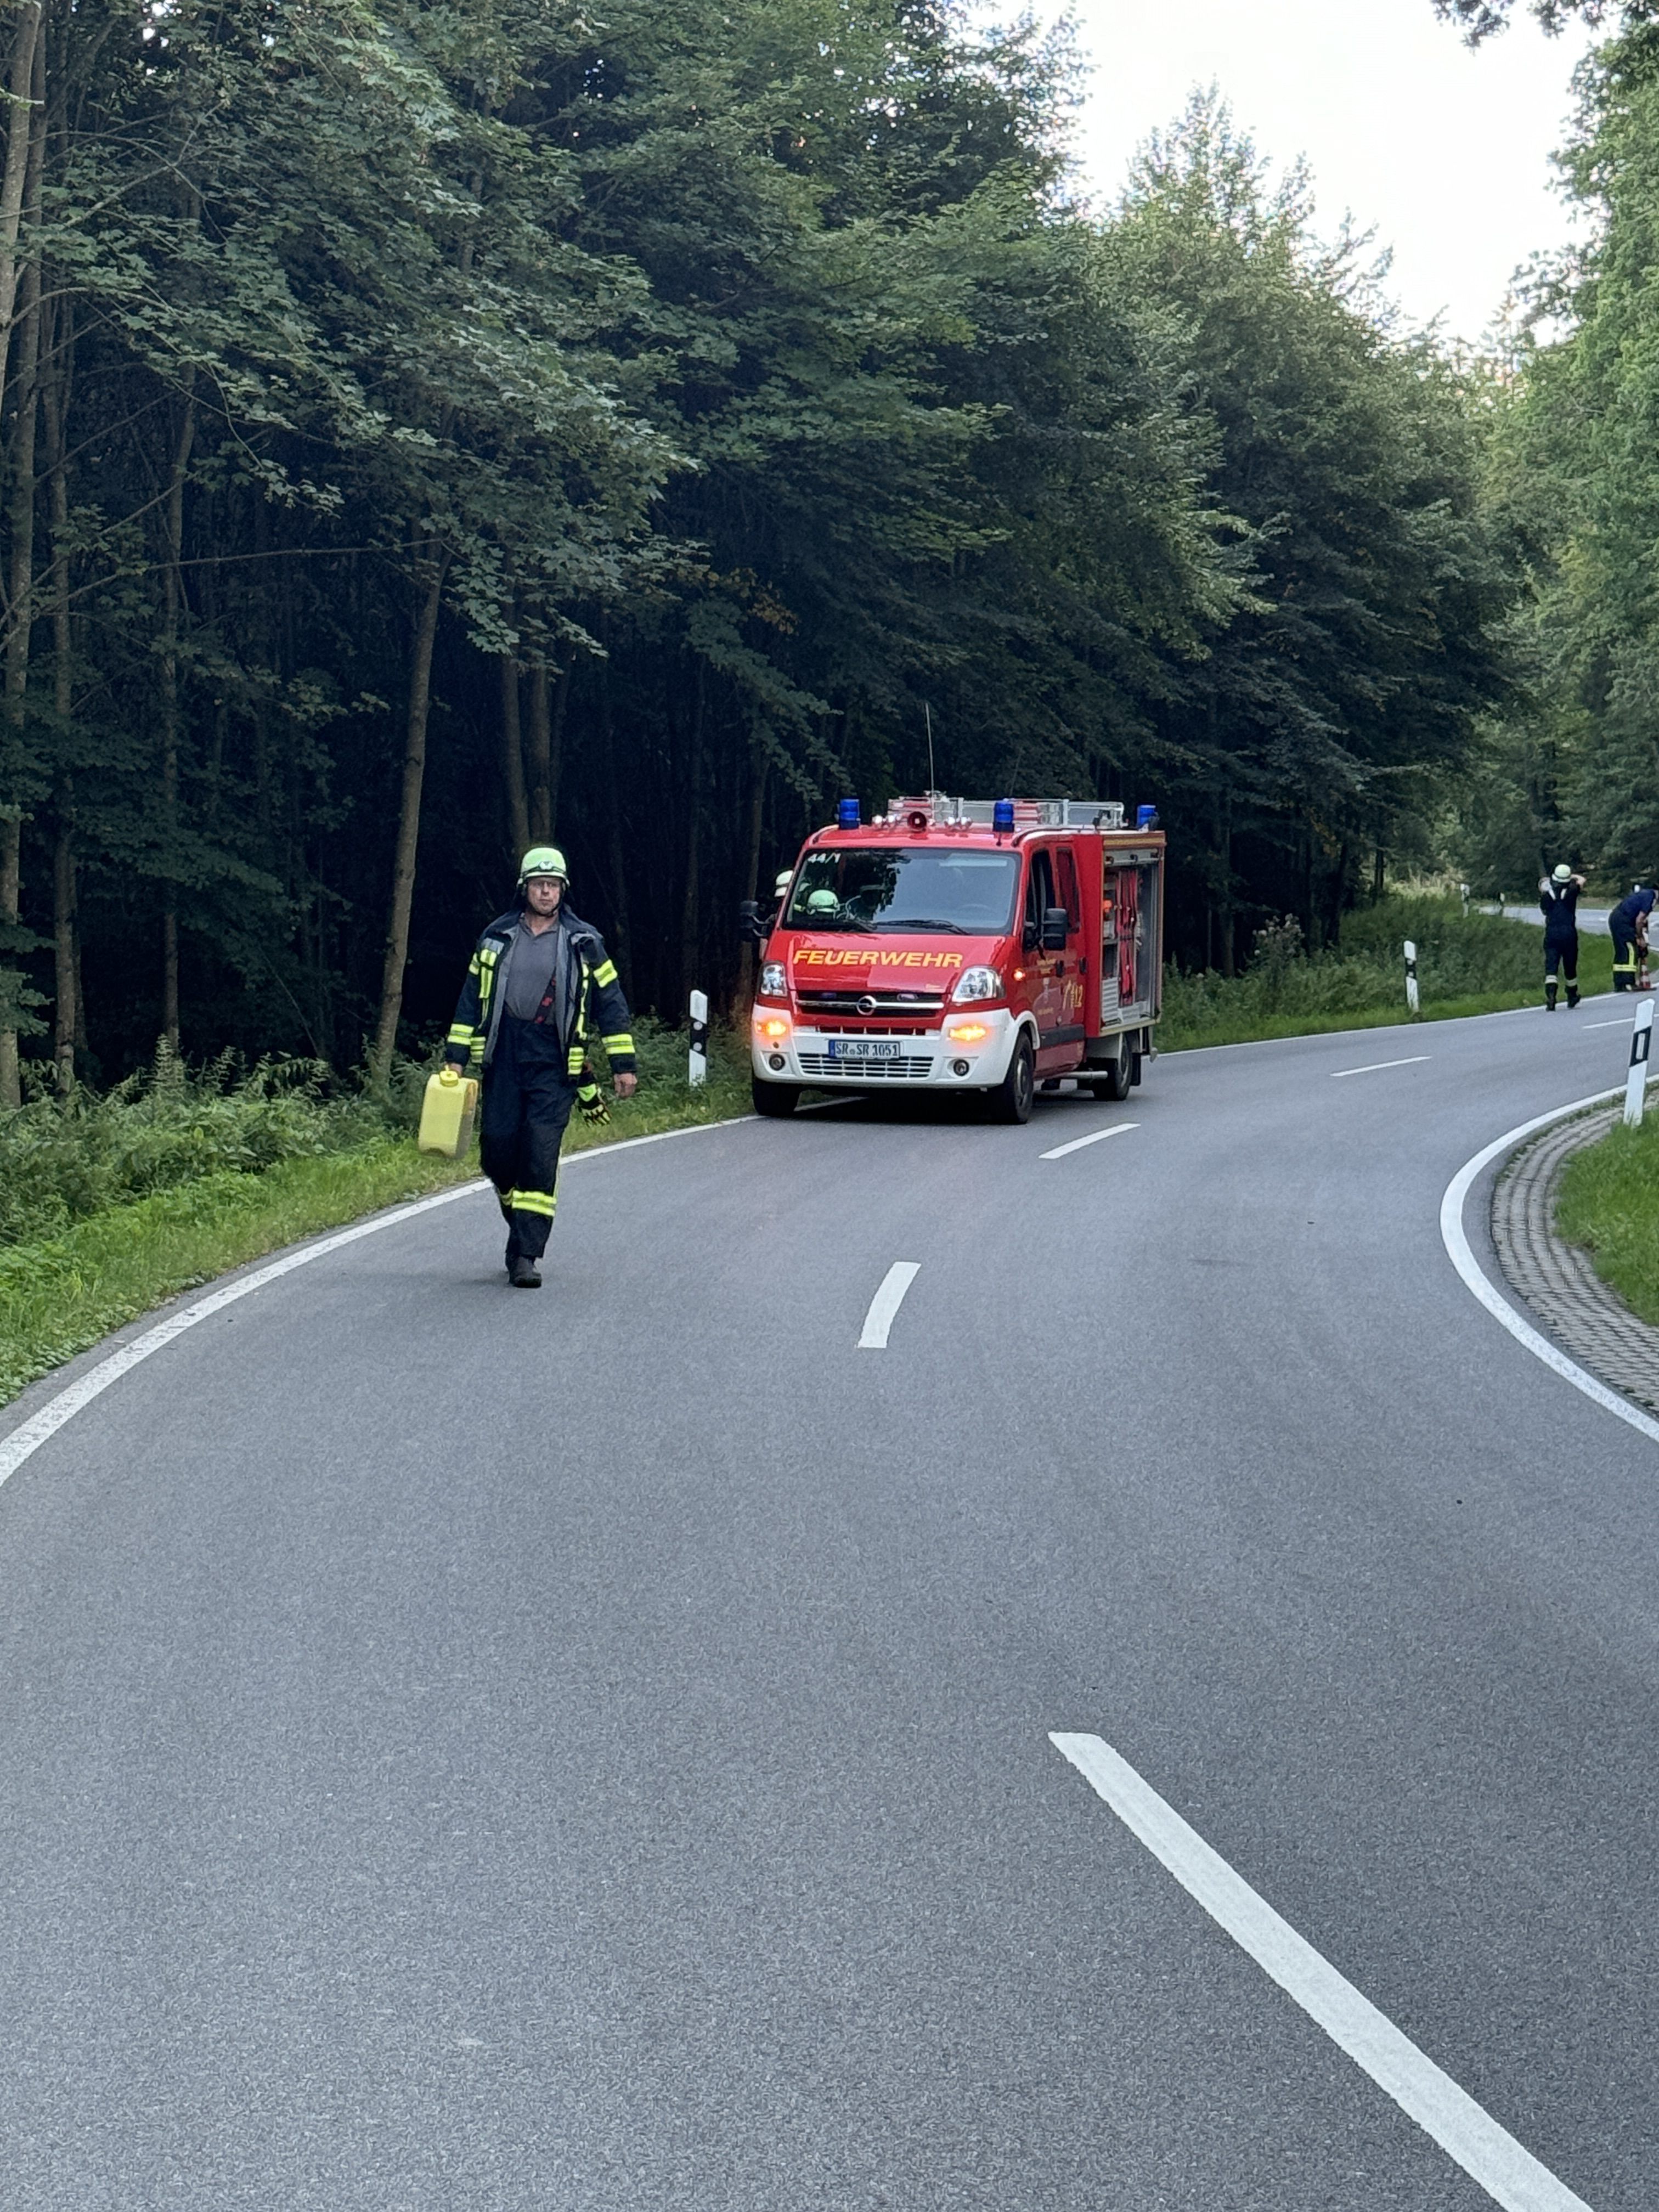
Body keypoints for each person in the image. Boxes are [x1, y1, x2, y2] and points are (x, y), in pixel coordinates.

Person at [444, 845, 636, 1288]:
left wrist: (623, 1065)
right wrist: (456, 1058)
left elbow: (611, 1003)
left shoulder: (584, 941)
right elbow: (471, 999)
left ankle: (526, 1255)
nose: (546, 892)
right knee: (497, 1149)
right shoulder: (496, 936)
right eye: (538, 885)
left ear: (562, 890)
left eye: (553, 885)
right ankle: (518, 1220)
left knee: (539, 1152)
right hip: (504, 1056)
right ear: (525, 888)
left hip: (555, 1061)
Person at [1539, 862, 1584, 1011]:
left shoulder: (1547, 894)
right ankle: (1572, 995)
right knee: (1570, 966)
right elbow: (1582, 880)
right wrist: (1571, 877)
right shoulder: (1572, 891)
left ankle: (1551, 997)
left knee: (1551, 967)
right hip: (1569, 933)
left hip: (1552, 933)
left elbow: (1544, 911)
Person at [1609, 882, 1657, 992]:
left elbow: (1643, 921)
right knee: (1631, 950)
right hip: (1624, 922)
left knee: (1622, 951)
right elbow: (1640, 920)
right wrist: (1640, 938)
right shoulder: (1650, 898)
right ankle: (1628, 983)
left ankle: (1619, 983)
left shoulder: (1645, 894)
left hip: (1616, 919)